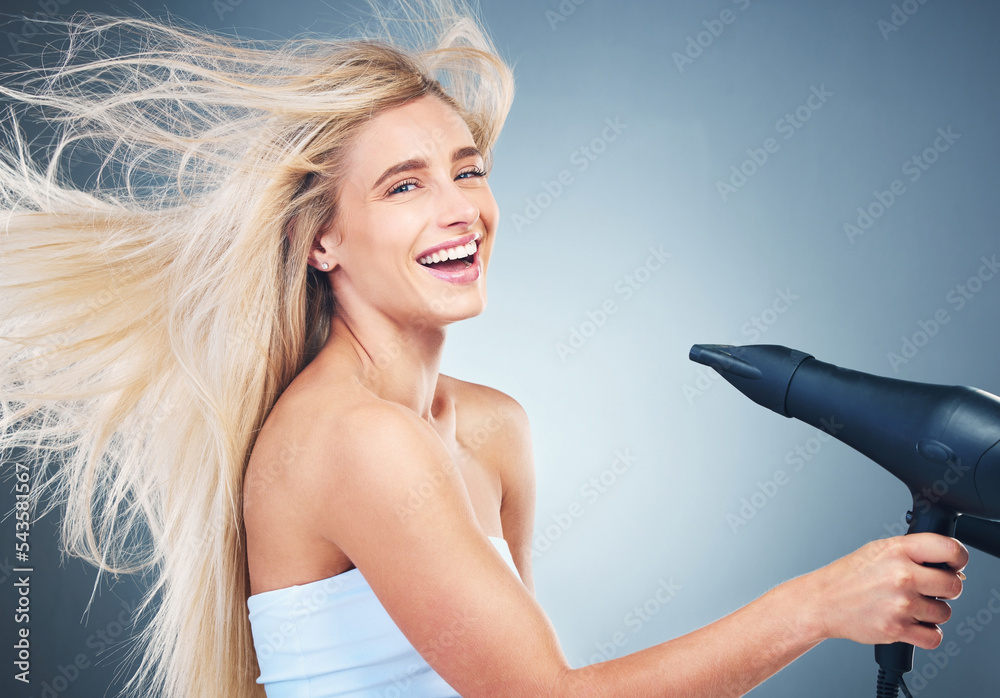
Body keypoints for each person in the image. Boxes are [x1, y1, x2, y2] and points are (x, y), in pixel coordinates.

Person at [0, 2, 968, 697]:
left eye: (467, 171)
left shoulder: (494, 428)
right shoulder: (350, 441)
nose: (459, 207)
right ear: (321, 242)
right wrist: (815, 604)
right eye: (404, 186)